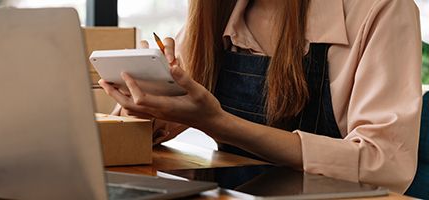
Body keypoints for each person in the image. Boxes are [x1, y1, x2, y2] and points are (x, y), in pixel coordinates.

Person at [99, 0, 422, 193]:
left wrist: (221, 124)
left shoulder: (381, 9)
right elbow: (153, 132)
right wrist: (146, 107)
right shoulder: (220, 12)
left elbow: (387, 166)